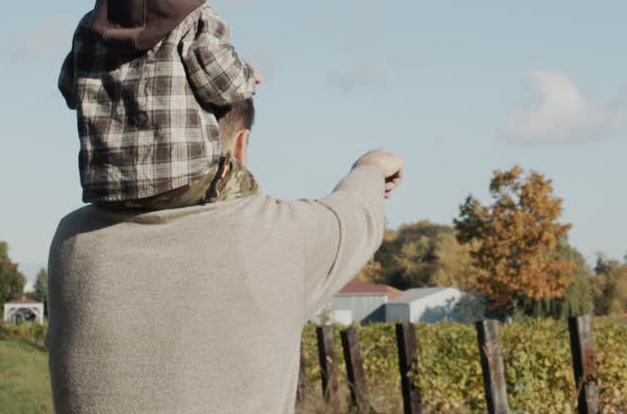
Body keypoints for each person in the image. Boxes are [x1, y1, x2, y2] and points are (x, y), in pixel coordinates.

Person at [45, 98, 403, 414]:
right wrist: (369, 167)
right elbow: (356, 214)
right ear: (242, 145)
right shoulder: (276, 234)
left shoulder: (74, 241)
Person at [57, 0, 261, 207]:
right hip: (183, 180)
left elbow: (69, 90)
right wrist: (247, 76)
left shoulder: (91, 26)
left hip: (107, 189)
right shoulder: (196, 18)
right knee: (244, 190)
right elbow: (222, 86)